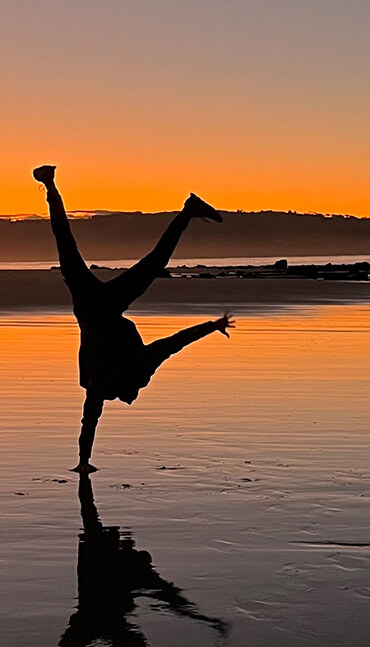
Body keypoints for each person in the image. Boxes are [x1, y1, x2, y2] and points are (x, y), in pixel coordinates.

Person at [33, 165, 232, 473]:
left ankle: (50, 184)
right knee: (83, 247)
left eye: (131, 395)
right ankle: (50, 183)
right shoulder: (132, 369)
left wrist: (84, 462)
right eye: (134, 396)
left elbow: (174, 343)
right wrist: (211, 326)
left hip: (98, 305)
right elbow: (175, 343)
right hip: (96, 306)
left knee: (79, 246)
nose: (132, 399)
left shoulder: (108, 380)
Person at [37, 472, 228, 647]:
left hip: (91, 621)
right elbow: (172, 600)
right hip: (106, 622)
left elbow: (87, 505)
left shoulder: (102, 553)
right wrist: (205, 620)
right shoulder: (130, 567)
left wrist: (83, 473)